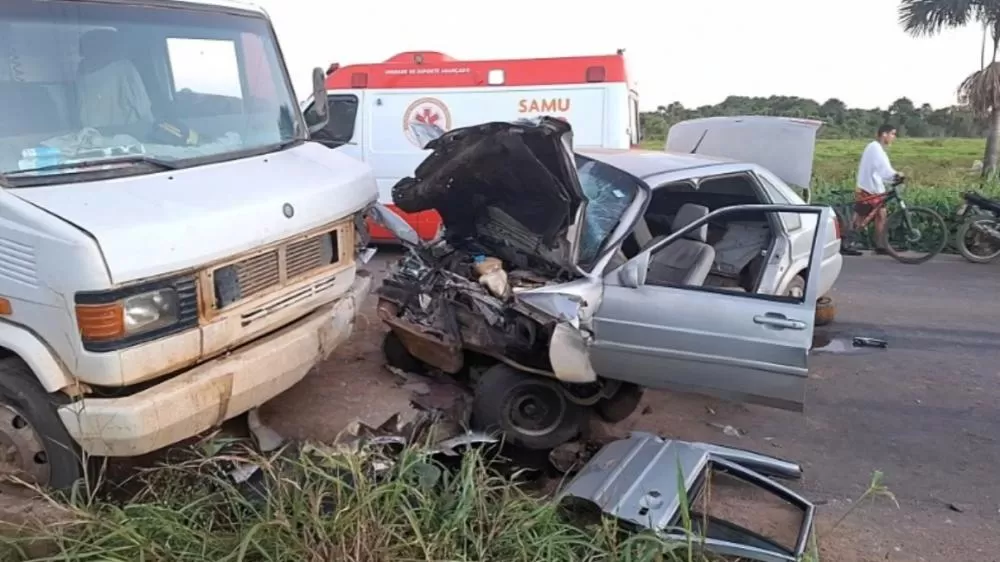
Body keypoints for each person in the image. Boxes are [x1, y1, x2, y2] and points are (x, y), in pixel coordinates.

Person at [842, 124, 904, 256]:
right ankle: (847, 242)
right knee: (861, 217)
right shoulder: (875, 148)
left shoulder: (877, 148)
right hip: (867, 187)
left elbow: (882, 170)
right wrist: (895, 176)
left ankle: (881, 245)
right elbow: (883, 168)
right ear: (884, 134)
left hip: (874, 187)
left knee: (881, 215)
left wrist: (892, 176)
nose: (894, 137)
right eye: (892, 134)